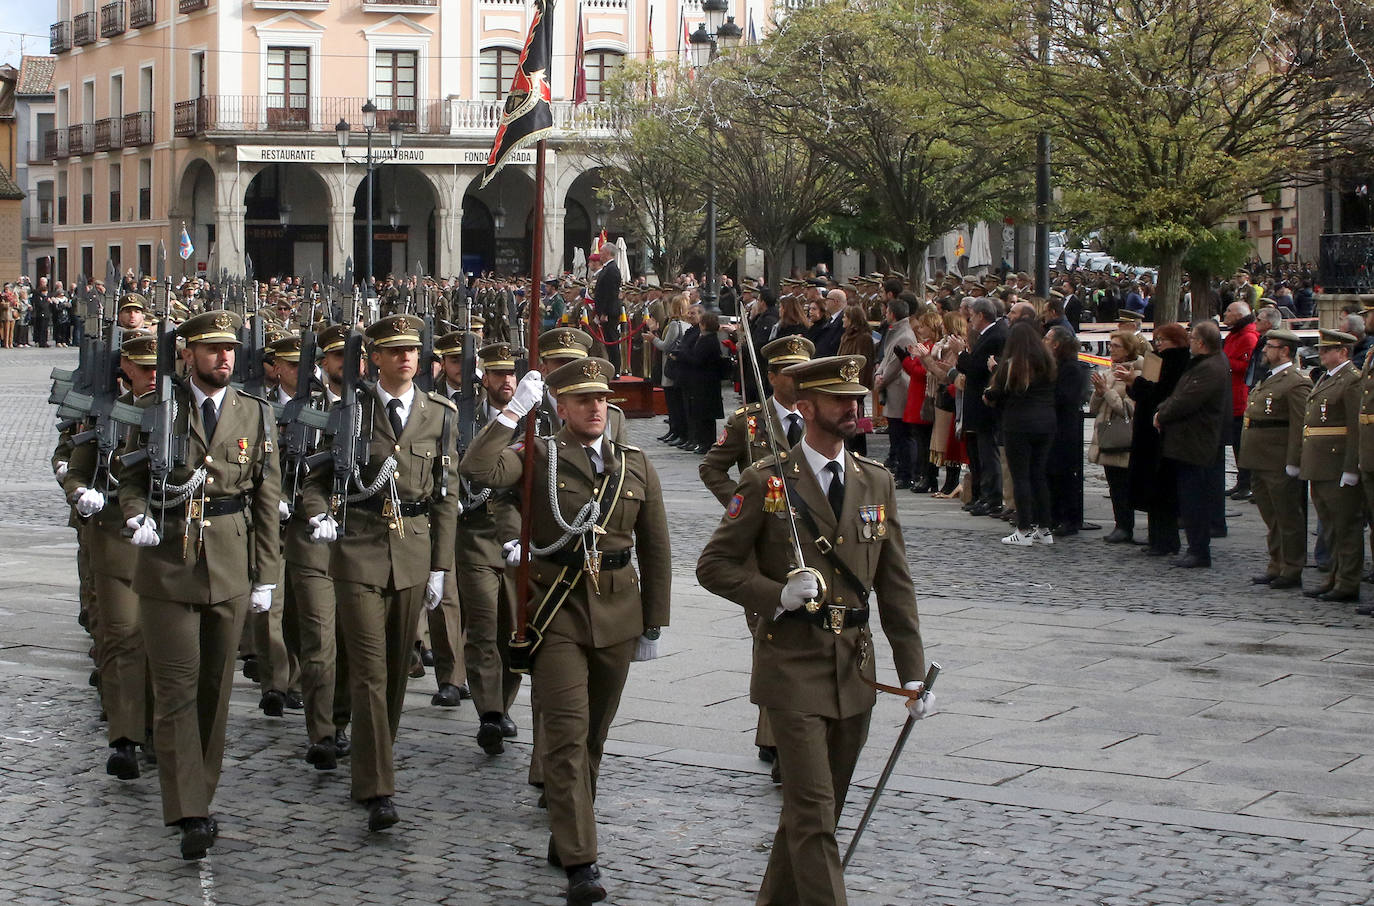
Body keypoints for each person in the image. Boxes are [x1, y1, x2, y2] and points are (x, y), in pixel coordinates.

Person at [696, 354, 932, 906]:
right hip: (792, 665)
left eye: (857, 398)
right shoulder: (765, 481)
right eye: (840, 400)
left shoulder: (877, 482)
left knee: (817, 814)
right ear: (806, 408)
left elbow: (895, 586)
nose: (854, 408)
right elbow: (714, 566)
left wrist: (914, 675)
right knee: (812, 816)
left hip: (856, 668)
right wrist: (773, 594)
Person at [461, 358, 671, 906]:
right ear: (560, 406)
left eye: (601, 398)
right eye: (581, 399)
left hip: (619, 615)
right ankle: (582, 857)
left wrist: (654, 621)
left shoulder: (635, 464)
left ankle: (568, 829)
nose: (595, 407)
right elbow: (477, 470)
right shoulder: (539, 458)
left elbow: (656, 546)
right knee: (567, 736)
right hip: (558, 614)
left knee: (595, 736)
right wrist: (513, 411)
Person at [118, 310, 282, 860]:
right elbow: (131, 476)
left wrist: (267, 575)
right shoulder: (154, 408)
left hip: (230, 563)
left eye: (230, 349)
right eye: (212, 349)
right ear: (187, 353)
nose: (224, 358)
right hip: (168, 562)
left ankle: (201, 793)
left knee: (215, 692)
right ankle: (189, 808)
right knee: (175, 691)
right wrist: (137, 514)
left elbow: (264, 495)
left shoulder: (254, 413)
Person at [301, 314, 460, 832]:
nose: (406, 359)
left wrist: (440, 566)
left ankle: (375, 756)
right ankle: (377, 789)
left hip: (412, 551)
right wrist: (319, 513)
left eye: (412, 351)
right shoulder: (351, 410)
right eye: (394, 352)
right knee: (369, 671)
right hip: (358, 549)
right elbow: (316, 478)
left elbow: (446, 495)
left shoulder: (440, 413)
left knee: (394, 672)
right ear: (373, 359)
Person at [61, 331, 158, 779]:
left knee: (162, 644)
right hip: (116, 532)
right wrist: (80, 491)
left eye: (160, 366)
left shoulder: (178, 410)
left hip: (170, 537)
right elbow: (76, 465)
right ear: (127, 369)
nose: (154, 374)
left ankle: (160, 728)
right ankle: (124, 737)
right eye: (145, 367)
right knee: (121, 638)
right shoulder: (101, 407)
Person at [1153, 320, 1231, 568]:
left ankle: (1198, 550)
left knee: (1194, 498)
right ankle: (1195, 547)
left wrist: (1161, 413)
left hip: (1195, 441)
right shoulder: (1203, 364)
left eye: (1193, 337)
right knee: (1189, 497)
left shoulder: (1209, 368)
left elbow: (1186, 400)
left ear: (1201, 343)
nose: (1190, 342)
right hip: (1188, 440)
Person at [1239, 329, 1310, 591]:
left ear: (1285, 351)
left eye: (1271, 346)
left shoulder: (1294, 382)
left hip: (1278, 460)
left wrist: (1294, 460)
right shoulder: (1269, 379)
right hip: (1259, 459)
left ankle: (1292, 568)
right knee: (1272, 517)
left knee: (1287, 517)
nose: (1265, 350)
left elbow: (1299, 424)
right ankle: (1276, 563)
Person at [1299, 330, 1363, 602]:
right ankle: (1334, 576)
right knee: (1330, 524)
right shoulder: (1328, 378)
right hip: (1321, 464)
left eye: (1327, 350)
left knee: (1345, 525)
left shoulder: (1351, 381)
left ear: (1343, 352)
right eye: (1322, 350)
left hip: (1337, 463)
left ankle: (1347, 581)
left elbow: (1356, 427)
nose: (1322, 355)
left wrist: (1351, 467)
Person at [984, 321, 1058, 544]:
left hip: (1019, 425)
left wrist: (993, 378)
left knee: (1021, 477)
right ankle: (1045, 529)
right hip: (1046, 423)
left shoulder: (1011, 365)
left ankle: (1024, 528)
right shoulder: (1047, 362)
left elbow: (997, 394)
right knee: (1039, 475)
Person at [1091, 332, 1147, 543]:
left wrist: (1106, 391)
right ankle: (1120, 523)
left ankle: (1127, 525)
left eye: (1116, 346)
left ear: (1128, 349)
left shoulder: (1138, 373)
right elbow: (1095, 407)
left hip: (1126, 435)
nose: (1111, 349)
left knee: (1126, 484)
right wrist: (1098, 392)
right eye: (1111, 345)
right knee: (1114, 484)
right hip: (1108, 435)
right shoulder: (1110, 371)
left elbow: (1127, 409)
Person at [957, 297, 1008, 516]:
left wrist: (961, 353)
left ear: (980, 315)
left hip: (986, 404)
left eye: (973, 315)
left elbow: (976, 369)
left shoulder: (995, 335)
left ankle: (992, 497)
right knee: (982, 453)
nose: (970, 319)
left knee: (989, 453)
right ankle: (985, 495)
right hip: (978, 404)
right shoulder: (989, 334)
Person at [1046, 325, 1091, 535]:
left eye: (1047, 339)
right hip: (1053, 427)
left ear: (1056, 345)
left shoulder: (1071, 368)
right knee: (1052, 474)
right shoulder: (1055, 366)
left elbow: (1065, 398)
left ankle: (1068, 518)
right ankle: (1054, 515)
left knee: (1064, 475)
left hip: (1064, 429)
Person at [873, 296, 915, 487]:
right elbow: (886, 357)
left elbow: (896, 363)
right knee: (896, 434)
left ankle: (907, 472)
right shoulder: (894, 331)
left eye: (887, 311)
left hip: (898, 387)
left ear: (893, 314)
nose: (884, 314)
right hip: (891, 386)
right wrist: (879, 372)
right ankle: (900, 468)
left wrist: (882, 379)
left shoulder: (904, 334)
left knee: (902, 434)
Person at [1222, 301, 1260, 500]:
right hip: (1232, 395)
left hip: (1240, 397)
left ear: (1238, 315)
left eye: (1229, 311)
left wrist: (1222, 360)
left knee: (1241, 443)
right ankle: (1241, 481)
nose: (1225, 314)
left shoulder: (1248, 337)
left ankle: (1247, 483)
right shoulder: (1235, 335)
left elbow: (1247, 366)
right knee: (1236, 444)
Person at [681, 309, 727, 454]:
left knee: (707, 415)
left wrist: (684, 355)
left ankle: (707, 442)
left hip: (707, 382)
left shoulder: (709, 340)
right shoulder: (703, 338)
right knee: (700, 413)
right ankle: (702, 441)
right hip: (701, 381)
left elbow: (698, 360)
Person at [836, 304, 875, 455]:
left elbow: (865, 365)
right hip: (844, 385)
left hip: (855, 387)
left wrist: (859, 388)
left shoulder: (864, 339)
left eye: (845, 317)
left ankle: (858, 453)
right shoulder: (845, 336)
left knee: (856, 424)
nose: (843, 319)